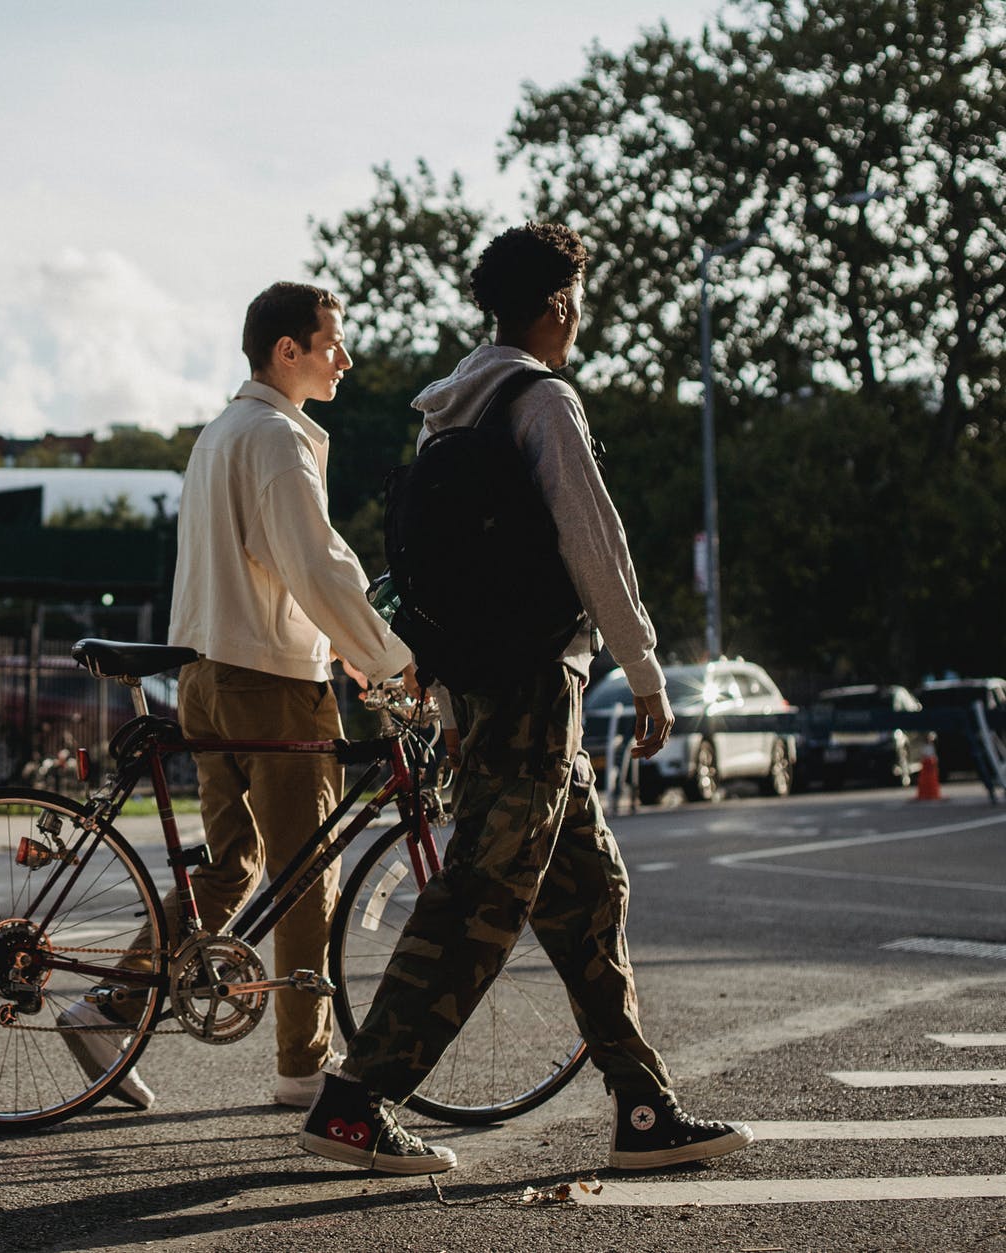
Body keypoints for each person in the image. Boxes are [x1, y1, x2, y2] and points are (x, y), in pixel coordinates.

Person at [297, 223, 754, 1174]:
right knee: (479, 900)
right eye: (574, 303)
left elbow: (434, 580)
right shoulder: (542, 400)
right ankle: (355, 1097)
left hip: (489, 688)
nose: (578, 321)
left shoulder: (448, 412)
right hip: (540, 686)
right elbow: (596, 544)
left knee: (590, 892)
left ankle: (642, 1107)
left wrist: (459, 710)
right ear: (556, 307)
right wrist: (645, 669)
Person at [60, 281, 414, 1110]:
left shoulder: (219, 432)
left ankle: (107, 1002)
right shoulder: (276, 439)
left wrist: (351, 651)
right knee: (303, 877)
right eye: (332, 342)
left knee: (230, 866)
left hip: (205, 676)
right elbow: (315, 565)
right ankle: (303, 1066)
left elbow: (275, 568)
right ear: (285, 350)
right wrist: (387, 657)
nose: (345, 358)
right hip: (270, 682)